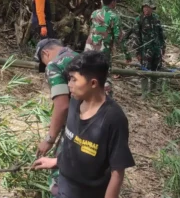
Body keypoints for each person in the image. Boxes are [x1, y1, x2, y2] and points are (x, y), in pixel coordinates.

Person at [32, 51, 135, 198]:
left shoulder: (113, 119)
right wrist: (56, 161)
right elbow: (73, 143)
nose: (69, 85)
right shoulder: (75, 102)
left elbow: (117, 172)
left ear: (93, 83)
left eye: (74, 80)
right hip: (64, 188)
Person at [34, 38, 79, 195]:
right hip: (99, 123)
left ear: (45, 53)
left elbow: (62, 106)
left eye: (43, 61)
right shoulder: (79, 57)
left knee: (59, 175)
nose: (45, 66)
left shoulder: (54, 65)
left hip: (78, 125)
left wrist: (49, 139)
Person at [84, 0, 125, 97]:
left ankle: (87, 94)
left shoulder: (94, 13)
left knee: (89, 71)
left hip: (89, 47)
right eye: (115, 1)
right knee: (105, 74)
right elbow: (118, 37)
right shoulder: (114, 16)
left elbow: (92, 28)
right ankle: (107, 98)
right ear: (113, 3)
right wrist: (126, 54)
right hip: (103, 49)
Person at [122, 0, 166, 97]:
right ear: (143, 8)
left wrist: (163, 46)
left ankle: (153, 91)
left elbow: (160, 33)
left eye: (149, 8)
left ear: (152, 9)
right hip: (145, 49)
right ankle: (145, 93)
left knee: (156, 69)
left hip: (156, 48)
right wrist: (138, 52)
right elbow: (136, 37)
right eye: (145, 7)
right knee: (144, 71)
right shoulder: (139, 20)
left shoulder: (156, 18)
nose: (146, 9)